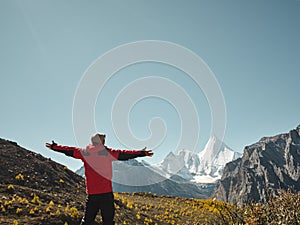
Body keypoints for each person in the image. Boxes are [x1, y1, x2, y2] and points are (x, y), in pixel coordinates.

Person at [45, 133, 153, 225]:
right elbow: (124, 154)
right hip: (106, 194)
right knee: (108, 221)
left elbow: (69, 151)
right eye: (103, 139)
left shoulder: (85, 152)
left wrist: (55, 147)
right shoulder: (107, 153)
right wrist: (141, 153)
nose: (105, 141)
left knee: (87, 221)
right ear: (100, 142)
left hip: (92, 195)